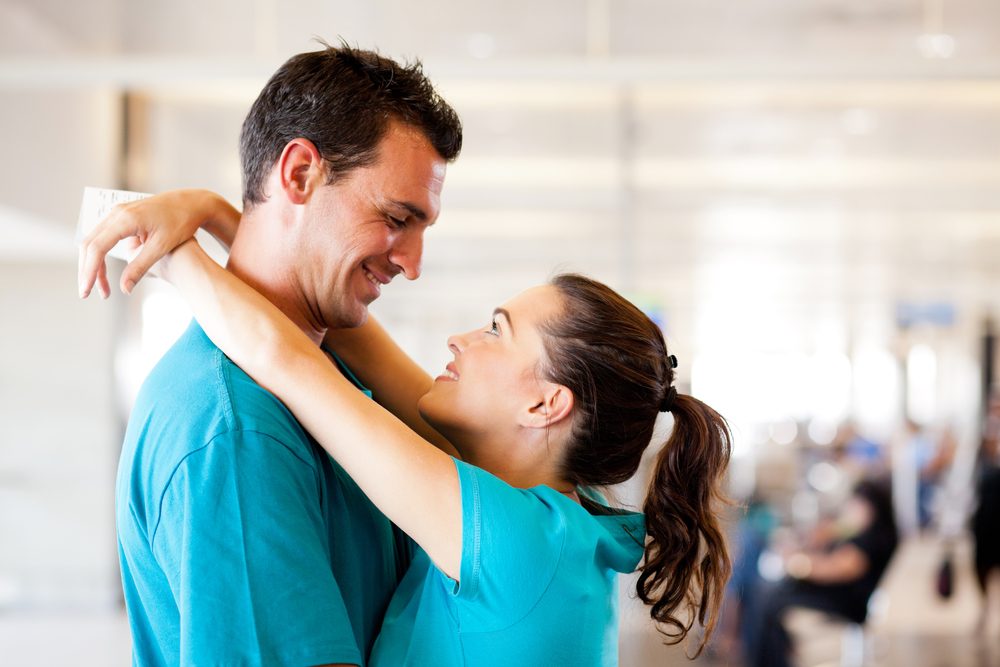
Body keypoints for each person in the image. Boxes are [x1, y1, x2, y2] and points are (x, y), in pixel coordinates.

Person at [81, 206, 733, 664]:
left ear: (544, 403)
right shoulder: (548, 509)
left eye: (496, 330)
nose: (460, 338)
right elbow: (364, 348)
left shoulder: (514, 540)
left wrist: (169, 250)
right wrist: (225, 217)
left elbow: (288, 362)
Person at [79, 43, 462, 666]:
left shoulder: (332, 379)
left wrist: (212, 212)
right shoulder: (236, 431)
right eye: (397, 217)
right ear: (300, 174)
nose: (411, 264)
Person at [747, 479, 898, 667]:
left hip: (848, 602)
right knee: (768, 596)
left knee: (769, 599)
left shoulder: (872, 539)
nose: (851, 509)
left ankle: (769, 660)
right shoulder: (860, 532)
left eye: (856, 504)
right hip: (837, 595)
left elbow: (837, 569)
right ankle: (772, 657)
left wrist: (798, 564)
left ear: (871, 507)